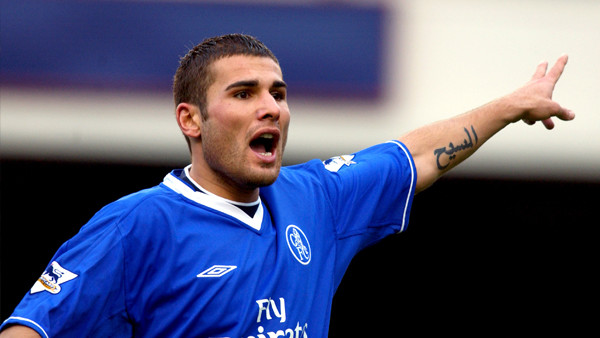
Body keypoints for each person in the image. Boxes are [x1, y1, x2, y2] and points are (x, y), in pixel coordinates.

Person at [0, 33, 574, 337]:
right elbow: (31, 331)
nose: (271, 107)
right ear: (190, 120)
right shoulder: (137, 224)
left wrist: (509, 106)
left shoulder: (314, 198)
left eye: (278, 92)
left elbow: (418, 153)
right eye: (244, 94)